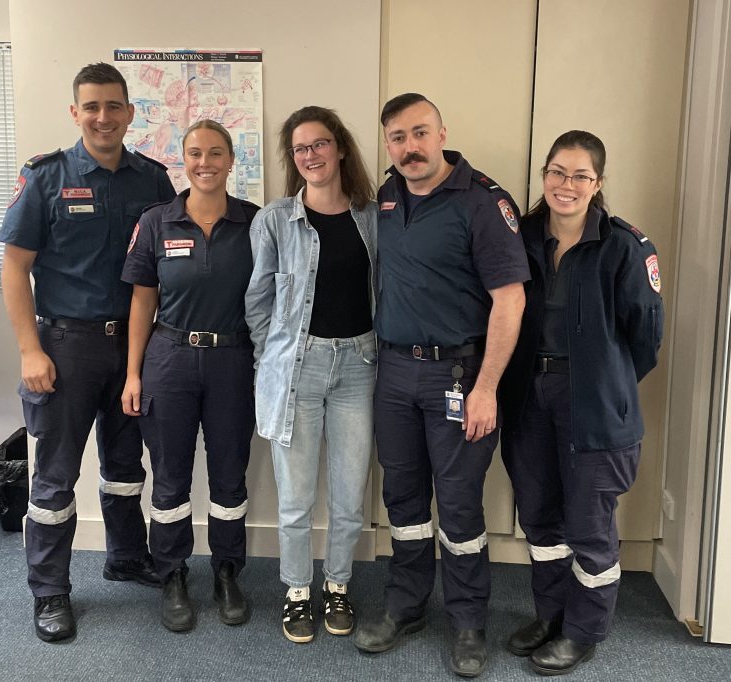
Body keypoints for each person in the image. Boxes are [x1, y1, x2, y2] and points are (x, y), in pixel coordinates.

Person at [0, 62, 176, 643]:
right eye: (91, 107)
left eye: (114, 106)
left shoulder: (151, 180)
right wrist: (29, 350)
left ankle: (126, 556)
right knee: (54, 478)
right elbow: (14, 268)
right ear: (76, 113)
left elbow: (167, 266)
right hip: (65, 347)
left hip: (132, 346)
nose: (103, 117)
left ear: (130, 112)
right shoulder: (46, 177)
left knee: (126, 466)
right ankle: (50, 590)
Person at [352, 93, 529, 678]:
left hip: (460, 374)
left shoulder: (482, 200)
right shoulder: (383, 197)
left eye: (420, 133)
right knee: (403, 500)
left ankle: (469, 620)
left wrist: (486, 388)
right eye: (398, 137)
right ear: (388, 144)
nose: (410, 147)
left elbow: (510, 300)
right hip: (395, 371)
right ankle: (406, 606)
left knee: (457, 505)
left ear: (443, 132)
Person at [499, 131, 664, 676]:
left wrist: (603, 379)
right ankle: (550, 616)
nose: (565, 186)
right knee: (541, 518)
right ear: (543, 176)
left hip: (594, 404)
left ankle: (584, 630)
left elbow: (644, 338)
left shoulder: (625, 246)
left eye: (579, 176)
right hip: (528, 397)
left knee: (589, 525)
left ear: (598, 183)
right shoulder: (518, 236)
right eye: (556, 172)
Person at [245, 106, 377, 644]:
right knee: (295, 498)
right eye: (300, 149)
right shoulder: (275, 219)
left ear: (340, 148)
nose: (310, 156)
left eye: (319, 144)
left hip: (359, 368)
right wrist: (269, 360)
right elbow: (258, 301)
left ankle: (338, 586)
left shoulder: (373, 216)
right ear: (292, 159)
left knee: (350, 495)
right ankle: (298, 593)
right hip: (297, 368)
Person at [121, 120, 259, 632]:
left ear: (230, 161)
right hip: (169, 360)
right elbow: (142, 302)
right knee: (170, 475)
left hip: (232, 362)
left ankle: (227, 571)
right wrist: (133, 375)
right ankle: (173, 573)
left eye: (216, 153)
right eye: (196, 154)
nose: (206, 163)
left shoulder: (254, 222)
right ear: (184, 160)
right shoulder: (157, 221)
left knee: (229, 474)